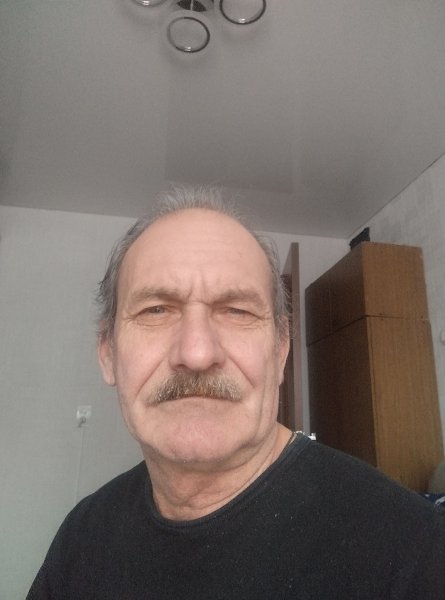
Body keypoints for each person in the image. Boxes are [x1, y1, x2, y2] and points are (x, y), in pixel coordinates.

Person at [28, 187, 445, 599]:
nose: (197, 353)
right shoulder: (80, 539)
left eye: (237, 311)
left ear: (280, 351)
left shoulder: (415, 552)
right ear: (108, 353)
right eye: (156, 310)